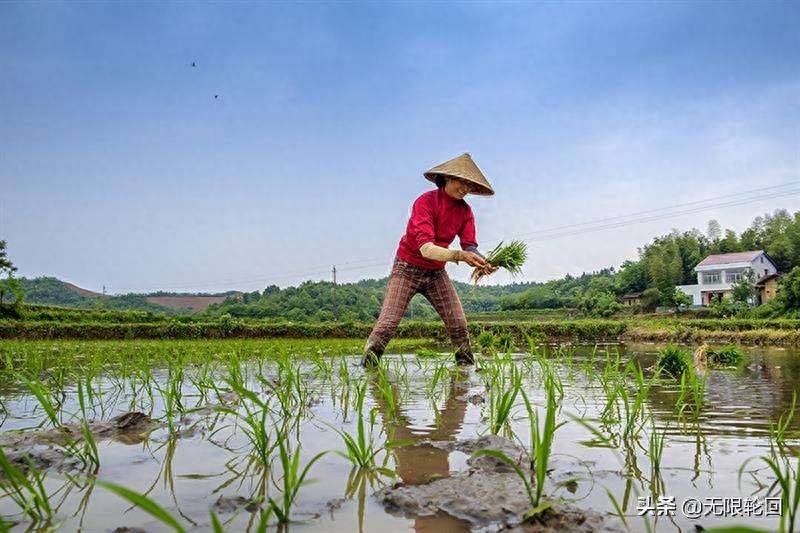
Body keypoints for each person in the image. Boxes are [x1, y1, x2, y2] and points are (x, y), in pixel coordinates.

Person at [363, 153, 497, 366]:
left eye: (469, 185)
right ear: (447, 179)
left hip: (436, 273)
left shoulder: (465, 212)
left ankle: (464, 375)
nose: (465, 189)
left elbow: (470, 246)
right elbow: (426, 249)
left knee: (459, 326)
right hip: (407, 268)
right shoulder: (425, 202)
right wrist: (460, 256)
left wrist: (484, 261)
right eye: (461, 182)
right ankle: (367, 371)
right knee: (387, 325)